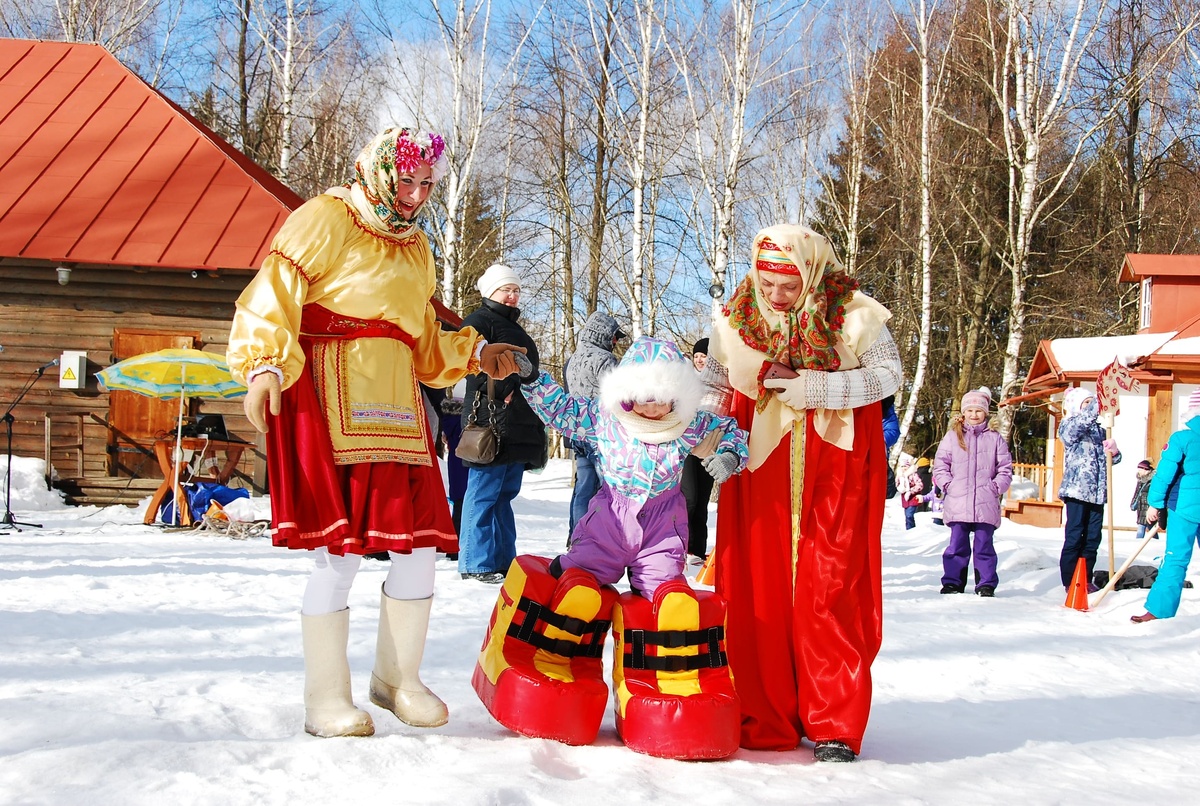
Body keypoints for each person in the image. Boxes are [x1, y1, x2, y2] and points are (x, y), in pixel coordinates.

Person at [226, 127, 526, 738]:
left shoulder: (417, 247)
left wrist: (474, 353)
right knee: (338, 559)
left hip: (398, 410)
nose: (415, 195)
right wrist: (262, 366)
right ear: (380, 171)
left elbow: (420, 338)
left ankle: (398, 680)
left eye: (427, 185)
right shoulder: (327, 218)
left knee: (418, 547)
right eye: (407, 180)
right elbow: (272, 295)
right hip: (331, 398)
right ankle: (326, 698)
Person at [709, 223, 902, 763]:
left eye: (788, 285)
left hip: (835, 465)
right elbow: (715, 384)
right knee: (759, 588)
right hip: (760, 470)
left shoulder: (854, 312)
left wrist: (821, 387)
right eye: (766, 283)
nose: (774, 296)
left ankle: (835, 720)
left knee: (828, 587)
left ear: (812, 272)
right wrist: (702, 435)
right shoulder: (734, 318)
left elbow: (889, 374)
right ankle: (764, 713)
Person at [522, 335, 748, 594]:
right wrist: (532, 379)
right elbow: (562, 410)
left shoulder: (686, 423)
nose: (651, 410)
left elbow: (728, 428)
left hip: (663, 527)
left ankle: (658, 619)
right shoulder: (606, 417)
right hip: (609, 520)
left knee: (665, 592)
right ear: (628, 394)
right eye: (643, 399)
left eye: (661, 400)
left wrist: (731, 455)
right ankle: (570, 606)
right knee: (579, 581)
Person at [458, 264, 547, 584]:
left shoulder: (516, 329)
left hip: (517, 422)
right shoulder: (478, 322)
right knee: (483, 492)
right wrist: (503, 388)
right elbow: (470, 364)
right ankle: (475, 561)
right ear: (490, 292)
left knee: (505, 494)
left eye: (516, 290)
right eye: (505, 290)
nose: (512, 296)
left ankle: (504, 560)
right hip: (490, 421)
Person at [933, 387, 1012, 597]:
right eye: (970, 410)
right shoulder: (952, 437)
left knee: (984, 546)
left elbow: (1005, 468)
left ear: (986, 413)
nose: (974, 414)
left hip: (985, 502)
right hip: (958, 501)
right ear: (964, 413)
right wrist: (948, 484)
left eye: (979, 410)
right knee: (956, 545)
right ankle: (952, 582)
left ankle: (985, 583)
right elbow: (940, 465)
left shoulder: (995, 438)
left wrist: (996, 487)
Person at [1131, 391, 1200, 623]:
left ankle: (1159, 611)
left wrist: (1155, 504)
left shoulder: (1182, 439)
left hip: (1185, 509)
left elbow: (1163, 475)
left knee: (1175, 559)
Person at [564, 311, 625, 538]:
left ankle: (576, 535)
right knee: (605, 488)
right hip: (602, 434)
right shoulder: (606, 360)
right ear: (603, 334)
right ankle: (598, 537)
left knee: (583, 486)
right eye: (614, 336)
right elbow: (618, 396)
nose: (615, 341)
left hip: (577, 431)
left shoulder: (572, 359)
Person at [1057, 386, 1121, 590]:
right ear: (1076, 406)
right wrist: (1100, 402)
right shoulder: (1069, 426)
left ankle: (1085, 578)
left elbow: (1110, 461)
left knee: (1093, 538)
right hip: (1077, 491)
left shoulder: (1100, 431)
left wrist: (1115, 452)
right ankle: (1070, 581)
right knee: (1075, 536)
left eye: (1092, 402)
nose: (1091, 407)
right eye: (1086, 403)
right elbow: (1081, 422)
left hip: (1097, 494)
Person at [680, 337, 717, 560]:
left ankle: (697, 550)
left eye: (704, 355)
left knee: (702, 500)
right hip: (687, 447)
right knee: (689, 497)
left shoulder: (718, 382)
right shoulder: (686, 380)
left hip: (709, 446)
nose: (700, 360)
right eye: (697, 356)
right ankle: (681, 545)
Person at [1130, 459, 1157, 540]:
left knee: (1142, 528)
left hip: (1148, 509)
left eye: (1140, 469)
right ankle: (1156, 542)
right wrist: (1133, 503)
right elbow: (1137, 493)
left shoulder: (1152, 481)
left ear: (1147, 470)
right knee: (1151, 529)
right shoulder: (1141, 481)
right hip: (1141, 508)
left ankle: (1138, 544)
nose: (1139, 471)